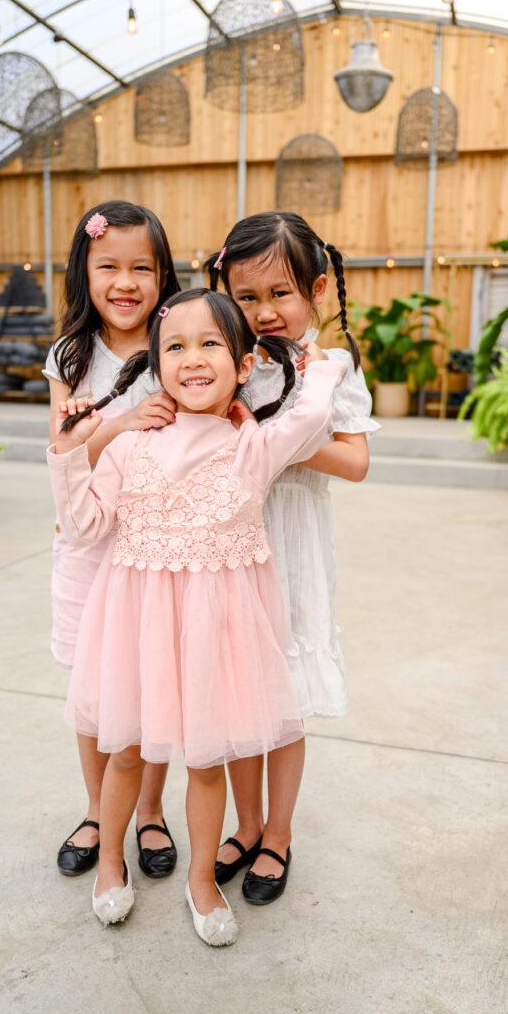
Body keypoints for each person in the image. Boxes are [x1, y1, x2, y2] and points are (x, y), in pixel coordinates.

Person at [47, 288, 347, 945]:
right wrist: (69, 453)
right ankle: (111, 861)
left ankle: (203, 879)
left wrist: (325, 363)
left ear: (243, 364)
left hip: (218, 633)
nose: (192, 358)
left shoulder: (254, 444)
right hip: (137, 629)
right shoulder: (130, 447)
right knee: (124, 755)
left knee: (207, 762)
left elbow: (316, 410)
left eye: (210, 343)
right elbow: (83, 524)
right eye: (175, 346)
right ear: (157, 367)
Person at [206, 211, 380, 904]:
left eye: (279, 293)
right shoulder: (229, 359)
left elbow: (357, 462)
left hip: (295, 543)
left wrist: (285, 433)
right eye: (246, 298)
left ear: (316, 290)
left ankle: (278, 832)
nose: (264, 311)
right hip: (230, 545)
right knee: (238, 694)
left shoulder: (329, 369)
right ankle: (244, 824)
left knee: (284, 703)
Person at [43, 201, 180, 880]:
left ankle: (149, 809)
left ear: (163, 277)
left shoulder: (174, 349)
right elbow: (61, 444)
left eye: (141, 268)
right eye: (109, 267)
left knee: (149, 682)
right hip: (87, 547)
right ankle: (100, 810)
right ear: (85, 271)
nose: (125, 283)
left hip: (153, 547)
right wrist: (122, 426)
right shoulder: (70, 354)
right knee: (93, 693)